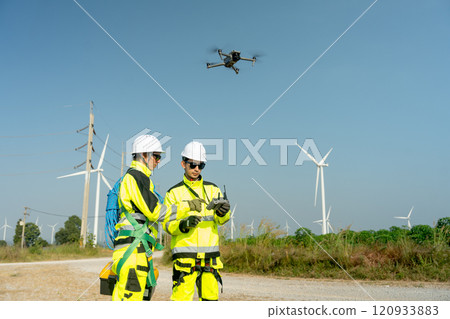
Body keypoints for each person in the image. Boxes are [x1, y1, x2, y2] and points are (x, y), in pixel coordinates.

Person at [162, 141, 231, 301]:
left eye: (201, 166)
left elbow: (222, 220)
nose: (196, 169)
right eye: (192, 165)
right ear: (183, 164)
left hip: (210, 259)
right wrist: (184, 224)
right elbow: (167, 224)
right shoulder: (173, 193)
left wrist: (223, 213)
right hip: (185, 258)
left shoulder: (213, 189)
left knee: (210, 302)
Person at [111, 134, 175, 301]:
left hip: (130, 251)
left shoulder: (138, 179)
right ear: (143, 155)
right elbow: (155, 211)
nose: (159, 161)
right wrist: (184, 209)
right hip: (133, 254)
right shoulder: (136, 177)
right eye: (156, 156)